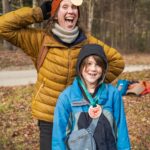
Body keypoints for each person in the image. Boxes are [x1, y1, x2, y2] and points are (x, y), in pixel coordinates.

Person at [0, 0, 125, 149]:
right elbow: (3, 26)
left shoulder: (87, 42)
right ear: (54, 14)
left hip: (79, 114)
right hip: (49, 116)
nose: (70, 11)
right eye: (64, 7)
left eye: (74, 7)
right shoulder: (40, 41)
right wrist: (38, 13)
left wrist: (91, 84)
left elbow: (117, 62)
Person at [52, 44, 131, 150]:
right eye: (88, 63)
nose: (93, 69)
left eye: (98, 64)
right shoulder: (66, 97)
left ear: (103, 69)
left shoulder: (113, 94)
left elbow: (121, 132)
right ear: (80, 67)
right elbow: (58, 138)